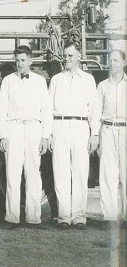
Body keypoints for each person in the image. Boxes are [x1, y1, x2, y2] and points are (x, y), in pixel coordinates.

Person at [0, 45, 52, 228]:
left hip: (34, 128)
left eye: (23, 60)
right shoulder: (7, 81)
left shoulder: (39, 81)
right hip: (13, 128)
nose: (19, 64)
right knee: (12, 173)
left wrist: (45, 136)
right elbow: (1, 110)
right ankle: (11, 217)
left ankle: (33, 218)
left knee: (33, 174)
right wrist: (3, 135)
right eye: (17, 60)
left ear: (30, 61)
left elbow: (46, 111)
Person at [48, 41, 97, 230]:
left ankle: (79, 216)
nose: (66, 59)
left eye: (70, 56)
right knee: (60, 171)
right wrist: (49, 134)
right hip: (59, 125)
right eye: (64, 55)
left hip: (80, 125)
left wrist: (94, 134)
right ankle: (63, 216)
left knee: (79, 171)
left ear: (78, 57)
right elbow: (49, 109)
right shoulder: (56, 80)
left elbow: (94, 109)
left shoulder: (88, 80)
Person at [91, 49, 127, 227]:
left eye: (116, 60)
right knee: (108, 175)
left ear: (123, 63)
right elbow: (96, 112)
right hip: (108, 129)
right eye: (110, 61)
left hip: (125, 130)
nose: (113, 64)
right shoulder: (103, 86)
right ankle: (110, 217)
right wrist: (95, 135)